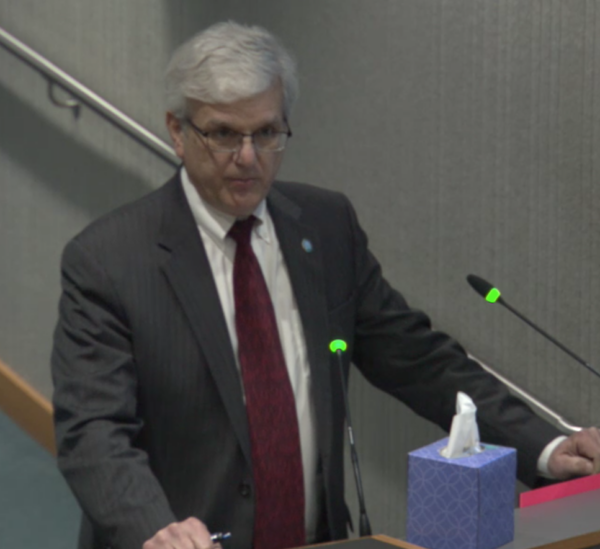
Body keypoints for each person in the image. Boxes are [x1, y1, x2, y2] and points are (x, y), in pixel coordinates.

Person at [51, 21, 600, 549]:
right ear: (177, 131)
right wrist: (156, 529)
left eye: (267, 133)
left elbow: (419, 359)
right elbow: (94, 430)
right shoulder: (110, 260)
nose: (248, 158)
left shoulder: (325, 227)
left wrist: (547, 446)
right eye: (222, 134)